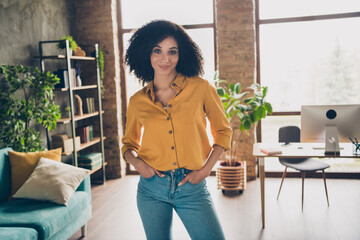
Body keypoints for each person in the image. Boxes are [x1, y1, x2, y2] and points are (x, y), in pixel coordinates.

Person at [122, 20, 232, 240]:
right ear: (146, 53)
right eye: (157, 51)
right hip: (151, 188)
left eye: (172, 52)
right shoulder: (137, 101)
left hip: (191, 186)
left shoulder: (201, 88)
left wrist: (205, 170)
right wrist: (138, 164)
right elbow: (128, 145)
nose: (165, 59)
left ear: (182, 55)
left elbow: (223, 131)